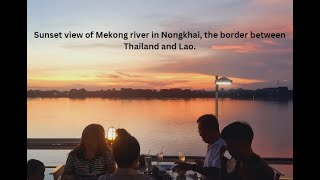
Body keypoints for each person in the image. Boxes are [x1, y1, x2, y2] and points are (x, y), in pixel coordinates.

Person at [174, 114, 225, 179]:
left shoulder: (222, 146)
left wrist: (191, 167)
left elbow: (216, 172)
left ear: (210, 129)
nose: (200, 134)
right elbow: (213, 167)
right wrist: (203, 165)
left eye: (200, 129)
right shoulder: (211, 144)